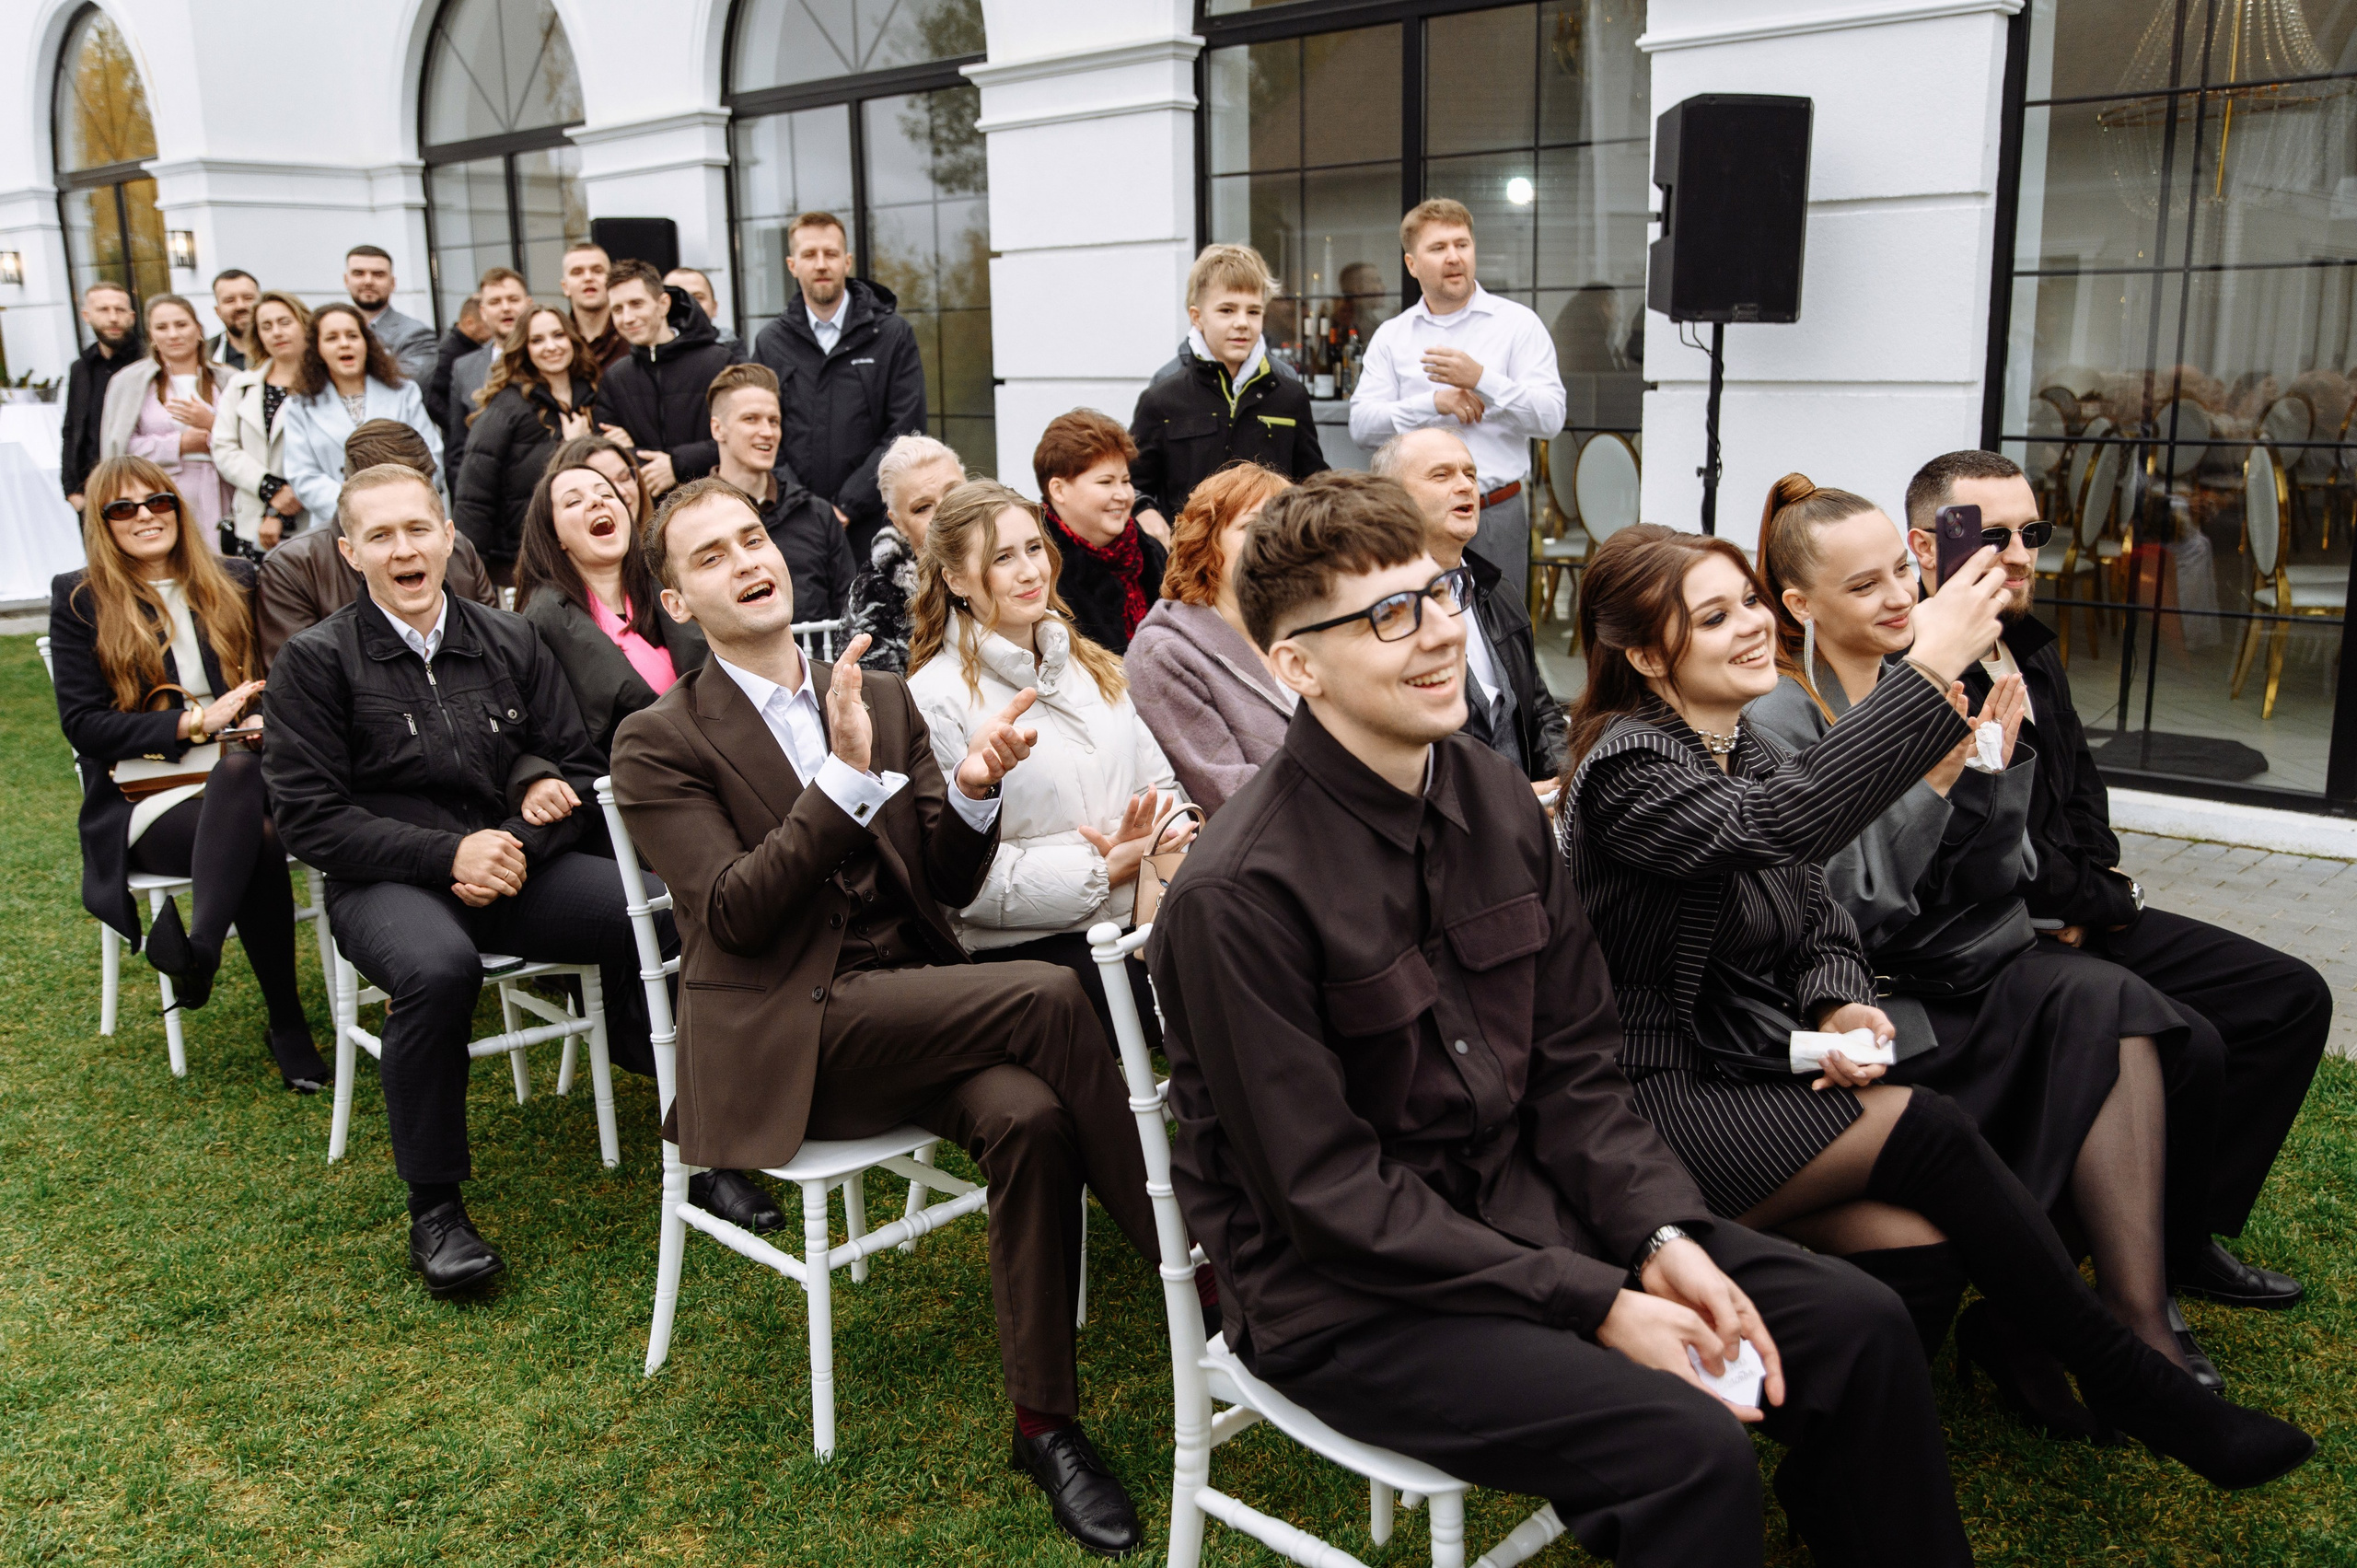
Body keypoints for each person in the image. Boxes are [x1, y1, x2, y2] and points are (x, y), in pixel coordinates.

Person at [1145, 470, 1975, 1568]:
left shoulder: (1493, 795)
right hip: (1351, 1298)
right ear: (1298, 665)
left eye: (1438, 592)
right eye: (1391, 615)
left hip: (1538, 1211)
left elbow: (1579, 1071)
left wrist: (1660, 1236)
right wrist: (1596, 1303)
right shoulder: (1236, 894)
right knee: (1684, 1448)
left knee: (1861, 1324)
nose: (1442, 632)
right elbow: (1331, 1198)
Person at [1557, 520, 2310, 1492]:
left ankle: (1840, 1479)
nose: (1749, 625)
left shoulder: (1731, 745)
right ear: (1647, 654)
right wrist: (1930, 665)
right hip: (1645, 1107)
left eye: (1746, 599)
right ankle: (2133, 1375)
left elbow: (1817, 907)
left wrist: (1833, 1004)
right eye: (1714, 615)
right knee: (1929, 1129)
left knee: (1923, 1240)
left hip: (1739, 1070)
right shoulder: (1628, 768)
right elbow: (1786, 825)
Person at [613, 479, 1172, 1555]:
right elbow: (731, 912)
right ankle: (1203, 1273)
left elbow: (948, 883)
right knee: (1049, 989)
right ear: (678, 601)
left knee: (1029, 1116)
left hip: (908, 1000)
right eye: (712, 556)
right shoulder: (657, 739)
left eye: (752, 535)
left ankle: (1044, 1425)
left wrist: (968, 788)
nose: (747, 559)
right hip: (793, 1031)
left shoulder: (880, 690)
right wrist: (838, 776)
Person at [1746, 473, 2218, 1429]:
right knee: (2095, 1020)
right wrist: (1927, 781)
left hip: (1965, 965)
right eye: (1864, 586)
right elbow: (1842, 909)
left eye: (1898, 575)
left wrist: (1994, 777)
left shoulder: (1936, 684)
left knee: (2122, 1014)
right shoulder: (1778, 720)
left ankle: (2111, 1322)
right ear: (1798, 604)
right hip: (1871, 1001)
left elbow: (1997, 876)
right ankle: (2073, 1326)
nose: (1896, 600)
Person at [1904, 449, 2332, 1317]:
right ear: (1925, 547)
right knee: (2195, 1042)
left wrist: (2102, 887)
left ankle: (2183, 1234)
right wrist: (2093, 901)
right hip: (1989, 935)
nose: (2022, 553)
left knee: (2290, 997)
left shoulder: (2027, 640)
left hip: (2081, 905)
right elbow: (1971, 846)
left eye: (2033, 531)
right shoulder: (1914, 666)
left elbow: (2081, 791)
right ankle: (2129, 1262)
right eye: (1994, 536)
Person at [264, 463, 668, 1296]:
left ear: (450, 536)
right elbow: (309, 819)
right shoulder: (315, 660)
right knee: (438, 968)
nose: (403, 549)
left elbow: (578, 764)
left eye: (418, 528)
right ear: (351, 552)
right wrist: (448, 856)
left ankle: (699, 1143)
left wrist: (517, 828)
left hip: (515, 864)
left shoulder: (509, 635)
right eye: (379, 535)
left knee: (655, 913)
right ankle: (436, 1211)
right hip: (385, 881)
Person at [49, 455, 328, 1092]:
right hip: (147, 799)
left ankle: (199, 954)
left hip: (245, 773)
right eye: (124, 508)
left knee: (241, 786)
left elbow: (281, 673)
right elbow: (85, 726)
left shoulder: (234, 576)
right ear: (103, 523)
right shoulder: (79, 598)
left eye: (158, 502)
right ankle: (284, 1023)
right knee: (252, 820)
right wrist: (193, 725)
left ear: (178, 506)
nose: (145, 516)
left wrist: (259, 717)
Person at [905, 479, 1188, 1042]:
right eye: (1002, 558)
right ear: (955, 579)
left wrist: (1157, 842)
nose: (1030, 571)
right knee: (1190, 989)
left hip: (1140, 909)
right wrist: (1107, 869)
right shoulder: (932, 699)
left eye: (1034, 548)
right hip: (1027, 948)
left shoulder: (1092, 666)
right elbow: (962, 886)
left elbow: (1164, 785)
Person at [1350, 198, 1565, 579]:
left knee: (1500, 634)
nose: (1454, 257)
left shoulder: (1517, 324)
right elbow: (1362, 427)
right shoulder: (1392, 336)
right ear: (1412, 265)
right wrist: (1435, 403)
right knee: (1416, 632)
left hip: (1494, 513)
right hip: (1411, 518)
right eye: (1438, 248)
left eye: (1461, 244)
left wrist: (1482, 378)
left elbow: (1550, 418)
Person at [1374, 426, 1564, 785]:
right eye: (1441, 475)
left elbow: (1539, 707)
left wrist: (1563, 780)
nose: (1466, 486)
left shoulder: (1497, 589)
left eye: (1470, 474)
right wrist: (1513, 800)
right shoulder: (1384, 616)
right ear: (1391, 498)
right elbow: (1403, 757)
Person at [516, 436, 708, 762]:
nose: (596, 502)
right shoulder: (544, 620)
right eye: (573, 502)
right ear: (554, 535)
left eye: (607, 494)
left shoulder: (669, 589)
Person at [749, 210, 926, 553]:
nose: (820, 264)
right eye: (809, 255)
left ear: (847, 262)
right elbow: (763, 432)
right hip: (794, 524)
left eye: (830, 254)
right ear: (791, 265)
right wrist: (804, 505)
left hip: (877, 524)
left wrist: (846, 505)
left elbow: (905, 431)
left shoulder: (892, 335)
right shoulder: (771, 342)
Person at [254, 421, 498, 668]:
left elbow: (496, 652)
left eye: (420, 489)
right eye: (381, 534)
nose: (405, 549)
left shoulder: (458, 548)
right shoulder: (292, 567)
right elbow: (300, 683)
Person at [1125, 462, 1295, 814]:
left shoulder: (1310, 636)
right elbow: (1226, 792)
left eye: (1284, 526)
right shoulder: (1164, 652)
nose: (1272, 539)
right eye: (1252, 526)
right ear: (1206, 542)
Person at [1128, 244, 1324, 532]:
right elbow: (1132, 484)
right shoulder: (1161, 397)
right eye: (1227, 310)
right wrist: (1145, 511)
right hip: (1190, 563)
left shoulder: (1289, 394)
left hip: (1270, 559)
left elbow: (1313, 479)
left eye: (1253, 311)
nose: (1242, 323)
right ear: (1197, 317)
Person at [457, 306, 600, 583]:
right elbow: (473, 496)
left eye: (558, 335)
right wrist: (468, 574)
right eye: (537, 340)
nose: (551, 347)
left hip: (586, 555)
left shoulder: (595, 396)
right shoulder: (506, 407)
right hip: (522, 562)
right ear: (524, 349)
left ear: (572, 339)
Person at [706, 363, 857, 622]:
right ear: (718, 428)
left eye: (773, 421)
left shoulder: (816, 515)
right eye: (750, 419)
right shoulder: (694, 522)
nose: (767, 432)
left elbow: (851, 613)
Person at [278, 304, 442, 525]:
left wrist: (394, 501)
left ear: (366, 342)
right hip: (338, 524)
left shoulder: (404, 392)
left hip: (407, 515)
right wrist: (359, 507)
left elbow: (431, 455)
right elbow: (303, 475)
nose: (344, 344)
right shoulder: (299, 405)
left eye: (352, 335)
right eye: (332, 338)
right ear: (317, 349)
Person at [99, 296, 231, 554]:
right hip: (160, 497)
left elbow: (252, 440)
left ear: (198, 329)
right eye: (162, 327)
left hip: (223, 492)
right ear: (151, 335)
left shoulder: (227, 379)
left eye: (181, 325)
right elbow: (120, 448)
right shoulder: (129, 382)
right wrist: (179, 444)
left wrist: (213, 425)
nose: (173, 334)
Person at [596, 259, 738, 498]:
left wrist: (676, 464)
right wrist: (627, 452)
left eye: (636, 304)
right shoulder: (614, 377)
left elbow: (739, 435)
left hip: (713, 502)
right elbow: (605, 451)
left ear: (663, 304)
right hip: (647, 516)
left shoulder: (719, 363)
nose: (627, 318)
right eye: (617, 309)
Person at [1034, 410, 1163, 656]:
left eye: (1125, 481)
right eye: (1106, 482)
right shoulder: (1037, 568)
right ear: (1059, 490)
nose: (1123, 495)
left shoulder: (1150, 552)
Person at [847, 434, 963, 675]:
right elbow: (880, 702)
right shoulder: (876, 592)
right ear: (898, 522)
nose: (945, 513)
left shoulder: (1013, 556)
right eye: (923, 508)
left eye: (954, 492)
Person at [212, 291, 313, 551]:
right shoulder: (241, 385)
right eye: (266, 326)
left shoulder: (326, 385)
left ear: (305, 325)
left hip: (312, 520)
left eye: (285, 322)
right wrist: (272, 489)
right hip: (252, 523)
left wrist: (288, 501)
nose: (276, 332)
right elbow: (223, 448)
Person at [440, 269, 533, 472]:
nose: (505, 308)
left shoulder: (551, 359)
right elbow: (457, 450)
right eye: (495, 302)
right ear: (482, 312)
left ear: (528, 304)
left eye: (513, 299)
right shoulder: (463, 369)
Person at [62, 281, 144, 510]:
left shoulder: (148, 364)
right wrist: (72, 492)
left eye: (120, 310)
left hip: (139, 489)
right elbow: (71, 430)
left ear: (132, 316)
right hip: (91, 495)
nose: (113, 318)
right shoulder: (80, 368)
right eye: (103, 310)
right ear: (86, 316)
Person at [343, 244, 437, 383]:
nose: (368, 281)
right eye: (359, 273)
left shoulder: (417, 335)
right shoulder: (331, 331)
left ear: (393, 283)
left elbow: (405, 385)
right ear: (346, 281)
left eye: (378, 274)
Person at [424, 292, 491, 433]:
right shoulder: (449, 352)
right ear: (469, 323)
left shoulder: (470, 347)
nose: (491, 333)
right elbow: (430, 394)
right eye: (487, 326)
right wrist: (456, 424)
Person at [560, 241, 626, 370]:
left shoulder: (632, 335)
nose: (588, 278)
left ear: (611, 280)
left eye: (597, 271)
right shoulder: (558, 342)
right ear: (565, 287)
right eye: (577, 272)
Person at [206, 269, 260, 371]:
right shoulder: (204, 356)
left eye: (248, 298)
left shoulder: (290, 349)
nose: (240, 306)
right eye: (230, 300)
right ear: (218, 311)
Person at [666, 267, 735, 344]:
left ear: (714, 307)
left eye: (698, 298)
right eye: (679, 299)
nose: (689, 304)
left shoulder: (730, 354)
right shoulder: (652, 353)